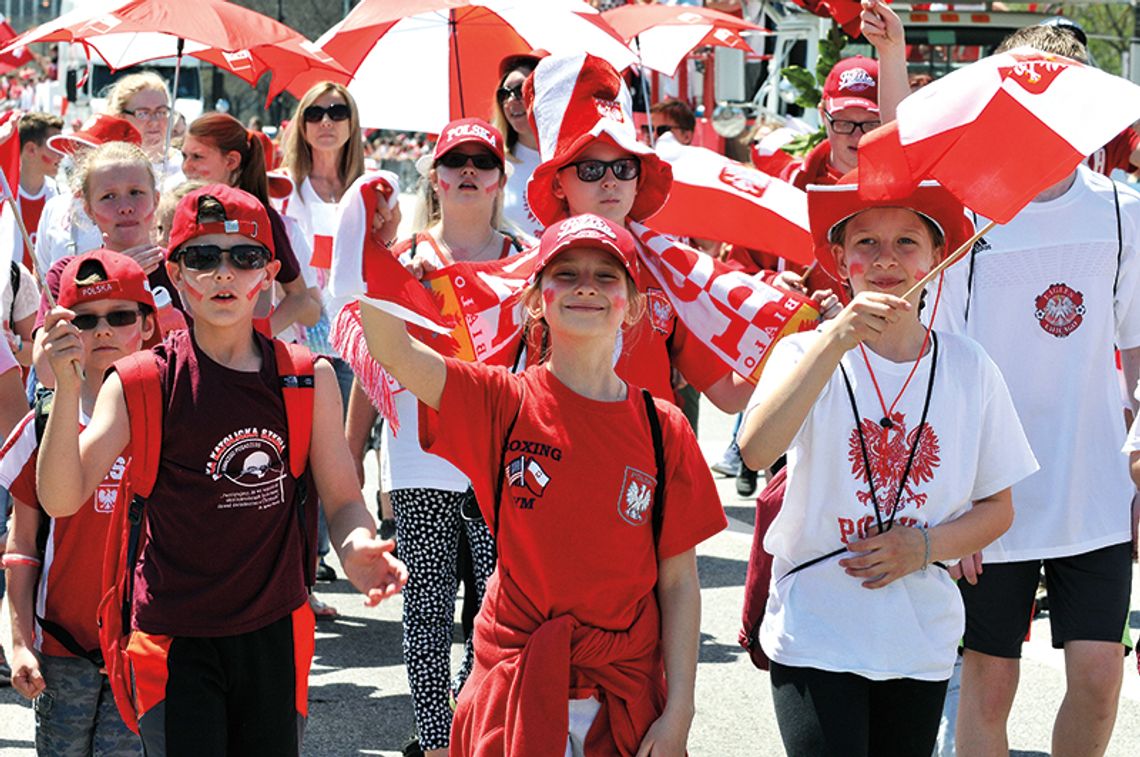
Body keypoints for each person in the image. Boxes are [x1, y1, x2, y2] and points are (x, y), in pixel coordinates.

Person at [35, 183, 407, 755]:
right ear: (176, 276)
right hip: (173, 638)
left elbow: (342, 499)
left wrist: (358, 546)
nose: (223, 273)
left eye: (245, 256)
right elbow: (62, 497)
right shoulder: (140, 380)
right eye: (203, 258)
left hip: (274, 632)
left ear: (269, 272)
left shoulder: (308, 378)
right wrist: (63, 388)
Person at [359, 212, 726, 755]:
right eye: (566, 273)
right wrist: (383, 259)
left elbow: (678, 584)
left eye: (607, 276)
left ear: (635, 308)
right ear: (534, 300)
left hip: (623, 701)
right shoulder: (501, 401)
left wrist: (679, 713)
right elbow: (393, 351)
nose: (586, 287)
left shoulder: (663, 427)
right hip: (513, 690)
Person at [738, 174, 1038, 756]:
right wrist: (833, 341)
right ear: (839, 259)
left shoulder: (968, 367)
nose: (886, 260)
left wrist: (924, 547)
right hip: (815, 629)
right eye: (865, 243)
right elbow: (754, 449)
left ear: (936, 259)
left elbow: (998, 509)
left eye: (907, 242)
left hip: (919, 638)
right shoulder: (806, 353)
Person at [923, 25, 1140, 757]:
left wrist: (1138, 460)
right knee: (987, 687)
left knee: (1100, 678)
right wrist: (954, 497)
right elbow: (938, 357)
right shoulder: (966, 216)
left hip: (1094, 488)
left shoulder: (1122, 210)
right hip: (996, 494)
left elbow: (1137, 348)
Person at [350, 117, 513, 757]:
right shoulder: (407, 261)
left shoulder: (528, 259)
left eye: (482, 161)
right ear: (436, 178)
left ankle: (475, 727)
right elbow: (371, 365)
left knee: (494, 609)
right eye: (455, 162)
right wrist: (352, 460)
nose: (468, 172)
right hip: (419, 460)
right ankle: (436, 737)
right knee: (425, 608)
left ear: (501, 178)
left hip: (498, 459)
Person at [523, 52, 753, 414]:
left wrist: (796, 332)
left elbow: (728, 393)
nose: (611, 181)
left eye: (624, 167)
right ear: (557, 183)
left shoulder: (673, 274)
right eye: (591, 169)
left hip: (652, 462)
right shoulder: (521, 279)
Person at [2, 250, 154, 756]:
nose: (103, 330)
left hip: (144, 645)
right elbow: (22, 546)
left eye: (121, 316)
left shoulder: (172, 417)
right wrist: (19, 640)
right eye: (85, 320)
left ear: (148, 326)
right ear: (59, 332)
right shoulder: (43, 426)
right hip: (60, 647)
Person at [280, 81, 369, 614]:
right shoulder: (284, 190)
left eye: (338, 111)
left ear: (352, 123)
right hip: (301, 346)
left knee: (338, 467)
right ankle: (297, 586)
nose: (327, 121)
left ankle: (315, 572)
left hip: (358, 347)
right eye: (315, 112)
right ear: (301, 123)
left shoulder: (371, 189)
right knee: (296, 467)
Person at [180, 112, 319, 335]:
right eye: (184, 156)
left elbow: (301, 297)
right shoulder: (182, 210)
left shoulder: (262, 218)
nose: (186, 167)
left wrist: (252, 343)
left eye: (197, 157)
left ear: (231, 161)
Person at [34, 115, 143, 276]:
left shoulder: (136, 212)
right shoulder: (55, 207)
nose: (78, 158)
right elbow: (41, 275)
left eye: (89, 151)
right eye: (77, 147)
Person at [491, 52, 544, 239]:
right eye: (504, 94)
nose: (511, 100)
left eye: (521, 90)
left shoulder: (575, 158)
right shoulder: (492, 163)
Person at [105, 72, 181, 185]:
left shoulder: (184, 165)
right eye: (143, 113)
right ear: (121, 117)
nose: (154, 122)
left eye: (161, 112)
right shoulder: (107, 167)